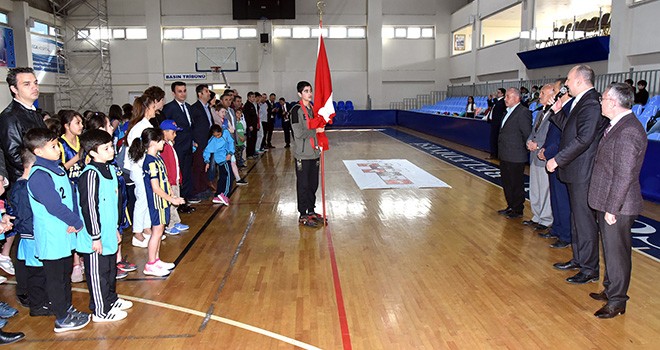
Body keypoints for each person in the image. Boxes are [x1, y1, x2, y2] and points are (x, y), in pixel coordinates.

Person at [587, 83, 648, 318]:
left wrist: (612, 209)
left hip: (619, 205)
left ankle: (618, 301)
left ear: (613, 102)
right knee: (611, 251)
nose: (600, 102)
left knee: (617, 253)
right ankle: (611, 289)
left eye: (602, 99)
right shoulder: (619, 126)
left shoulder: (628, 131)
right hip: (610, 200)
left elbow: (624, 175)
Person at [547, 64, 609, 284]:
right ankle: (579, 258)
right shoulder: (580, 102)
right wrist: (557, 113)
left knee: (584, 221)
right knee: (576, 218)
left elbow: (584, 139)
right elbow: (571, 131)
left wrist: (557, 159)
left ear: (581, 81)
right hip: (574, 170)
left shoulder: (591, 103)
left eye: (569, 80)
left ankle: (589, 268)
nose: (566, 84)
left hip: (583, 171)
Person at [24, 128, 90, 332]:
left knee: (64, 275)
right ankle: (61, 318)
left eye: (57, 144)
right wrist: (77, 221)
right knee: (54, 279)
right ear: (38, 151)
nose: (58, 149)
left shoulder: (58, 169)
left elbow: (69, 197)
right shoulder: (39, 176)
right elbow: (54, 206)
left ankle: (67, 308)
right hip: (51, 236)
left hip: (64, 233)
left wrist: (74, 220)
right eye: (52, 146)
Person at [77, 129, 133, 322]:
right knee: (97, 273)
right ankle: (100, 310)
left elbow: (114, 202)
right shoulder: (90, 175)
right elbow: (89, 207)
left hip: (109, 231)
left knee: (109, 270)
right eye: (106, 148)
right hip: (95, 235)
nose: (112, 151)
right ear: (92, 152)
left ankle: (110, 299)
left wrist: (116, 228)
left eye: (111, 146)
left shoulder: (109, 169)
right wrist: (95, 236)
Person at [85, 114, 136, 278]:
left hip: (118, 197)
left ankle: (118, 260)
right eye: (108, 126)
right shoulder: (94, 164)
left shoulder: (109, 156)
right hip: (105, 207)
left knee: (118, 227)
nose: (112, 128)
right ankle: (112, 262)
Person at [129, 128, 184, 277]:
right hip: (157, 202)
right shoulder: (150, 162)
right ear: (153, 142)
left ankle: (157, 260)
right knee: (156, 232)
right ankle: (150, 263)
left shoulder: (157, 158)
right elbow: (155, 187)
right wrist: (171, 199)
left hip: (163, 201)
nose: (164, 142)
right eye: (160, 140)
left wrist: (171, 192)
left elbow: (163, 180)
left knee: (160, 233)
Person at [10, 149, 50, 316]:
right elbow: (26, 216)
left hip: (32, 235)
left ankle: (40, 301)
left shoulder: (22, 186)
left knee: (38, 271)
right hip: (31, 236)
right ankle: (37, 304)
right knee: (36, 273)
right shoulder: (23, 188)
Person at [125, 86, 165, 248]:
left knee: (149, 200)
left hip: (145, 168)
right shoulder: (139, 127)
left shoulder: (145, 124)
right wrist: (146, 168)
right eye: (154, 107)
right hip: (139, 168)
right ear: (148, 108)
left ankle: (147, 228)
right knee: (142, 200)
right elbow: (137, 152)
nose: (156, 109)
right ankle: (137, 233)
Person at [538, 79, 573, 249]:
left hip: (560, 159)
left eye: (558, 89)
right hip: (552, 157)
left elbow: (562, 138)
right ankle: (557, 228)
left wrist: (549, 152)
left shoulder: (568, 110)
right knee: (555, 198)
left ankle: (566, 235)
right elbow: (551, 135)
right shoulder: (558, 109)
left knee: (562, 200)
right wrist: (544, 148)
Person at [0, 67, 46, 187]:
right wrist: (44, 166)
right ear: (14, 89)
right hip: (26, 180)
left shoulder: (35, 113)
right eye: (27, 84)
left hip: (41, 175)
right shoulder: (9, 117)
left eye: (35, 83)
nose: (34, 87)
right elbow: (14, 155)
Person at [290, 81, 325, 227]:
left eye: (310, 90)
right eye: (306, 91)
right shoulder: (296, 110)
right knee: (303, 185)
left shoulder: (313, 109)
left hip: (314, 153)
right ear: (299, 94)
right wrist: (315, 130)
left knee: (313, 184)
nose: (309, 93)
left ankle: (311, 210)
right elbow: (298, 133)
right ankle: (303, 214)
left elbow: (318, 127)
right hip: (303, 155)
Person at [496, 88, 532, 219]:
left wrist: (523, 150)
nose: (505, 99)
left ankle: (517, 209)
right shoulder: (507, 112)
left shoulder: (523, 112)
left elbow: (527, 133)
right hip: (505, 154)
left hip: (516, 155)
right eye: (505, 96)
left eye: (508, 96)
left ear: (517, 98)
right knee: (507, 182)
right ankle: (510, 205)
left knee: (516, 183)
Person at [523, 84, 555, 231]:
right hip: (534, 156)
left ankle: (546, 219)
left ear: (551, 95)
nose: (540, 95)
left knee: (545, 189)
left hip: (543, 156)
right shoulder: (540, 112)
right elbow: (533, 131)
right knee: (534, 189)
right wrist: (529, 141)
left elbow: (553, 137)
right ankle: (536, 216)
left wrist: (538, 145)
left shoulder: (555, 114)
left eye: (543, 93)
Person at [162, 81, 197, 211]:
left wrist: (192, 140)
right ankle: (177, 203)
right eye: (179, 91)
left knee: (187, 173)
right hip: (177, 147)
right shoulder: (169, 108)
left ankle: (185, 200)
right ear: (173, 93)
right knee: (177, 175)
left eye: (184, 91)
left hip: (188, 146)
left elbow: (190, 126)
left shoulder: (188, 106)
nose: (183, 94)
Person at [159, 120, 190, 235]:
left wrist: (179, 177)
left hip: (175, 179)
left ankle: (176, 221)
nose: (175, 135)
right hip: (170, 181)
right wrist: (169, 180)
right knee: (170, 203)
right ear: (164, 132)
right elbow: (165, 166)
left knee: (175, 203)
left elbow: (175, 164)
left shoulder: (170, 145)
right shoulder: (163, 147)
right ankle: (170, 225)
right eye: (173, 132)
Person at [190, 84, 213, 197]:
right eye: (206, 91)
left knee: (205, 165)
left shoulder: (207, 107)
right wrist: (193, 140)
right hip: (199, 143)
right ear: (200, 94)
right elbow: (191, 126)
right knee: (198, 166)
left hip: (208, 142)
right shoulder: (194, 108)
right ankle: (197, 190)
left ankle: (204, 187)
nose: (209, 93)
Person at [204, 124, 235, 205]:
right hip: (223, 161)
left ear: (221, 131)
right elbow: (206, 151)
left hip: (227, 157)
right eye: (215, 136)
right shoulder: (212, 141)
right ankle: (224, 195)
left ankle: (217, 195)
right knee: (229, 177)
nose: (217, 137)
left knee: (222, 178)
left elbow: (231, 142)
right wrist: (207, 161)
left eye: (218, 135)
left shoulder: (226, 133)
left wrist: (230, 153)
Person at [486, 88, 506, 160]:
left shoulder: (502, 101)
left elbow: (499, 107)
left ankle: (495, 154)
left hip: (497, 122)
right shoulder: (497, 101)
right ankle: (493, 153)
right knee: (493, 139)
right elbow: (491, 105)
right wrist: (489, 100)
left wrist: (494, 99)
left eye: (498, 92)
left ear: (502, 94)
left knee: (495, 139)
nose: (497, 94)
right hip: (493, 121)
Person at [243, 92, 259, 158]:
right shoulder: (247, 105)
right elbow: (247, 116)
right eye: (252, 97)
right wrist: (249, 125)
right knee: (250, 140)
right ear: (249, 97)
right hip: (251, 126)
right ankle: (249, 154)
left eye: (254, 97)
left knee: (254, 139)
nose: (253, 98)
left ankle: (252, 152)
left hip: (254, 125)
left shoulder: (252, 105)